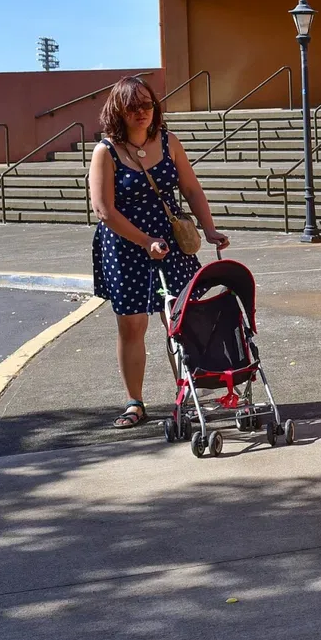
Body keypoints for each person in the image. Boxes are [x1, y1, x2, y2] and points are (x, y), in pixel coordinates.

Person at [89, 76, 229, 429]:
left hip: (170, 242)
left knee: (179, 320)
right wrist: (144, 240)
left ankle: (188, 392)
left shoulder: (168, 142)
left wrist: (209, 228)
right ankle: (135, 403)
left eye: (147, 105)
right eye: (133, 107)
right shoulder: (105, 151)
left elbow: (192, 189)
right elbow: (104, 210)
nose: (141, 113)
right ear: (118, 111)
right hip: (125, 244)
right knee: (132, 325)